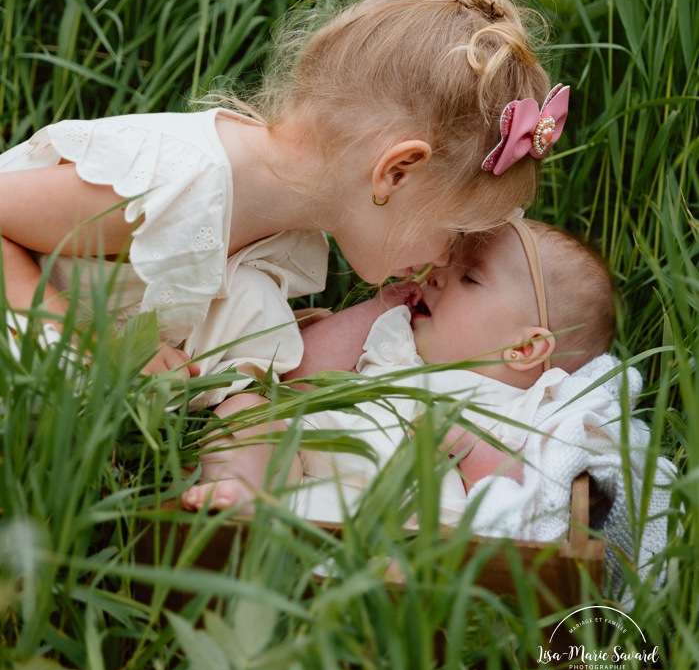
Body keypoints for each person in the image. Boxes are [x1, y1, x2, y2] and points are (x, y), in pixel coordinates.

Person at [0, 0, 565, 507]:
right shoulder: (179, 186)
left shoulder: (291, 227)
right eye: (454, 232)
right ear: (395, 172)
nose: (445, 259)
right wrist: (97, 345)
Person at [182, 217, 613, 517]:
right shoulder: (397, 340)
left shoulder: (531, 407)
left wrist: (469, 443)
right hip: (305, 481)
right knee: (248, 410)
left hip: (416, 524)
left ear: (525, 348)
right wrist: (375, 309)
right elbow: (298, 377)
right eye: (449, 264)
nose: (437, 275)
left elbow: (528, 490)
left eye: (470, 278)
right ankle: (244, 491)